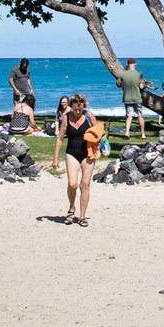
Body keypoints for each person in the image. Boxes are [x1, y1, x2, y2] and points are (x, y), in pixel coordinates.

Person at [56, 92, 99, 227]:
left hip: (88, 153)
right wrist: (55, 158)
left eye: (80, 109)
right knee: (72, 184)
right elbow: (60, 138)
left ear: (83, 107)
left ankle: (82, 216)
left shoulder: (89, 116)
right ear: (71, 107)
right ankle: (71, 207)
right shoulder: (66, 117)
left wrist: (98, 147)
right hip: (72, 153)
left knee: (84, 184)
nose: (77, 111)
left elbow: (98, 133)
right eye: (75, 109)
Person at [116, 57, 147, 139]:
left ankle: (127, 132)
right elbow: (141, 86)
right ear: (135, 64)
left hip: (127, 98)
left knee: (129, 116)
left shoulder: (123, 75)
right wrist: (144, 85)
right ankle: (143, 134)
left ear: (127, 64)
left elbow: (118, 84)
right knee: (140, 116)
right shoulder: (139, 74)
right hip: (137, 98)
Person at [47, 95, 71, 170]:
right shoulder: (59, 111)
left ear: (68, 102)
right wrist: (57, 129)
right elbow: (57, 121)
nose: (63, 104)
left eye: (65, 102)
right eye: (62, 102)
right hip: (61, 128)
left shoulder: (70, 111)